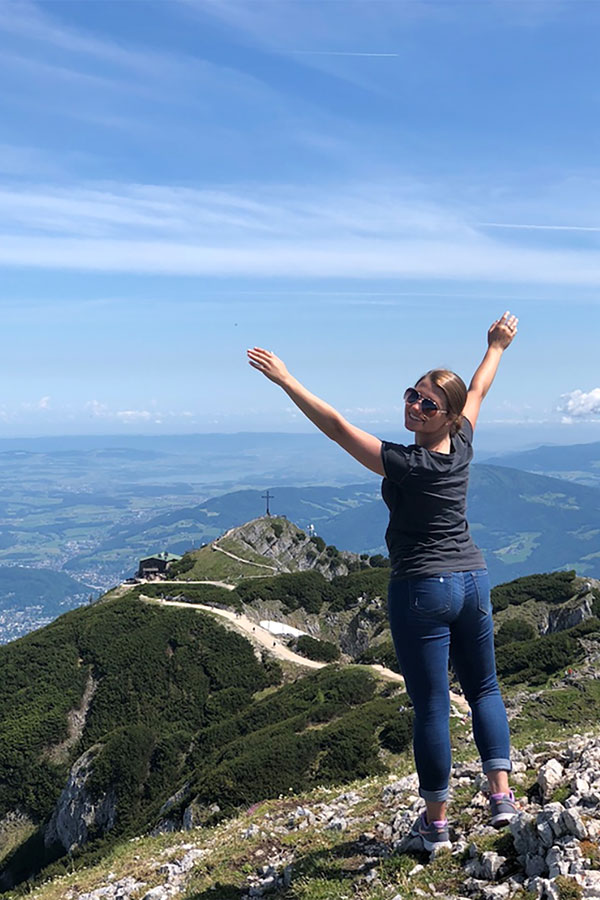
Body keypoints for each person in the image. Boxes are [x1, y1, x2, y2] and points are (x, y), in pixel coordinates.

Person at [247, 311, 518, 851]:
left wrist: (286, 381)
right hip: (472, 578)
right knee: (484, 688)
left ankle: (436, 825)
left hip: (422, 586)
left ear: (446, 416)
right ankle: (500, 798)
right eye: (412, 395)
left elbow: (337, 427)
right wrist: (496, 347)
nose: (413, 406)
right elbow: (480, 388)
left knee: (434, 704)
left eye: (426, 404)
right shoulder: (463, 442)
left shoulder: (404, 463)